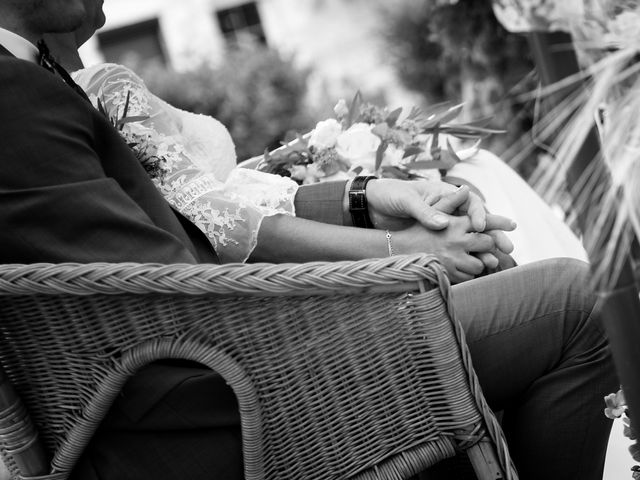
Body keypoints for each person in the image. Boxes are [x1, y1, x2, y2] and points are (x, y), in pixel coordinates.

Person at [0, 1, 616, 479]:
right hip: (219, 409)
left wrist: (364, 198)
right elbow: (172, 293)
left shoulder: (35, 78)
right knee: (574, 301)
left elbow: (191, 210)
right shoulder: (15, 95)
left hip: (193, 386)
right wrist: (398, 269)